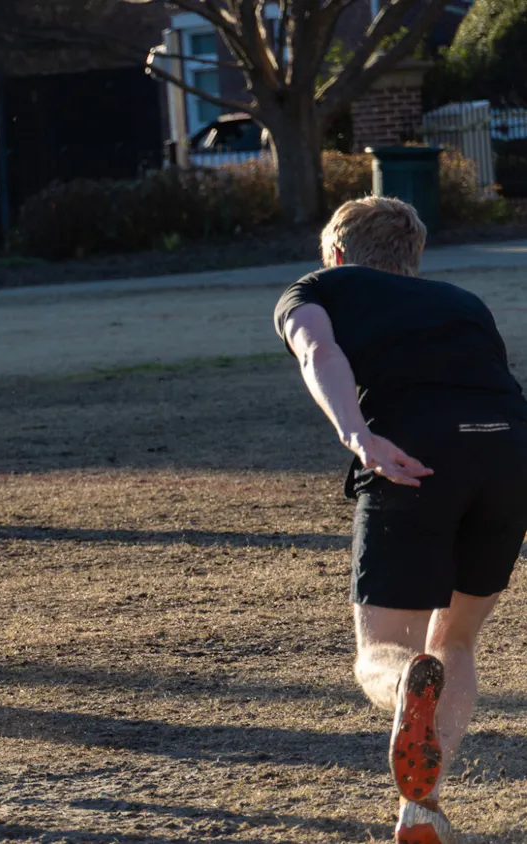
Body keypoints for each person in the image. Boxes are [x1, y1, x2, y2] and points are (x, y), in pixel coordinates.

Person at [274, 197, 527, 844]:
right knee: (458, 641)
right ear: (413, 258)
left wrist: (358, 437)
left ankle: (405, 686)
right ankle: (424, 809)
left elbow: (318, 354)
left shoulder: (317, 287)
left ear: (335, 253)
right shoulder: (461, 300)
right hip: (510, 453)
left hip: (415, 455)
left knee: (382, 656)